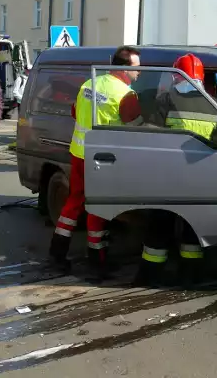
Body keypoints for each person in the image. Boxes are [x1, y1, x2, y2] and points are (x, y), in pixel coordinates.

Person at [48, 46, 143, 280]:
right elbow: (139, 129)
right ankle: (97, 259)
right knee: (98, 207)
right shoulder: (126, 95)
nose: (139, 72)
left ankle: (57, 252)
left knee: (75, 201)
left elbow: (74, 112)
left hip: (79, 152)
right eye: (136, 68)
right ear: (123, 70)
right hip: (103, 158)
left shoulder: (89, 83)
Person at [136, 54, 217, 286]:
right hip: (201, 177)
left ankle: (151, 275)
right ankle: (190, 275)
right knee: (193, 228)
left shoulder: (166, 100)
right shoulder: (212, 104)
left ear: (175, 75)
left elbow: (150, 137)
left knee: (159, 224)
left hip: (168, 176)